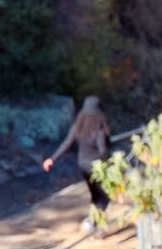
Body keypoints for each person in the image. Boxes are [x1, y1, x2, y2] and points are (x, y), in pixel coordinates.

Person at [42, 96, 111, 231]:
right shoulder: (99, 130)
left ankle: (92, 222)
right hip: (96, 167)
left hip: (82, 165)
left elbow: (67, 143)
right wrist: (107, 160)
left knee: (95, 195)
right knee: (104, 198)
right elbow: (103, 151)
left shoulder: (78, 126)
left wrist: (52, 159)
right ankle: (96, 225)